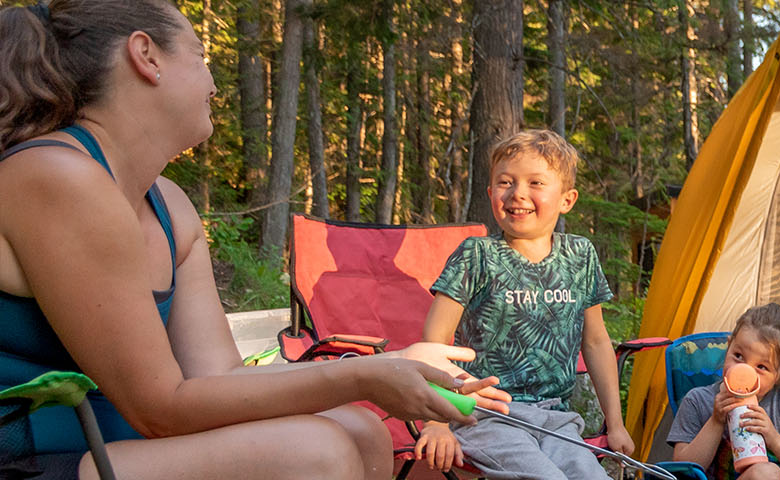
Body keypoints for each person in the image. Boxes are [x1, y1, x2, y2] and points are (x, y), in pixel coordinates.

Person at [0, 2, 508, 479]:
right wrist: (368, 376)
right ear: (146, 56)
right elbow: (160, 407)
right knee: (316, 452)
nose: (214, 82)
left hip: (110, 443)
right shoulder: (57, 176)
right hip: (27, 456)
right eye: (200, 56)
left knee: (360, 429)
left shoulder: (170, 205)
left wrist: (391, 365)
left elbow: (217, 375)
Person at [413, 130, 634, 478]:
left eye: (535, 183)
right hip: (485, 415)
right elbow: (435, 340)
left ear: (567, 199)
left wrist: (616, 424)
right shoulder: (477, 255)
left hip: (557, 420)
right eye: (505, 182)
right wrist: (437, 421)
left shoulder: (580, 256)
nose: (518, 194)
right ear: (490, 193)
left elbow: (595, 341)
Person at [667, 303, 780, 480]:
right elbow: (684, 469)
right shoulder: (698, 399)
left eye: (762, 367)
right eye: (738, 356)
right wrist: (716, 421)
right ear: (728, 346)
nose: (745, 370)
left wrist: (773, 437)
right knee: (766, 473)